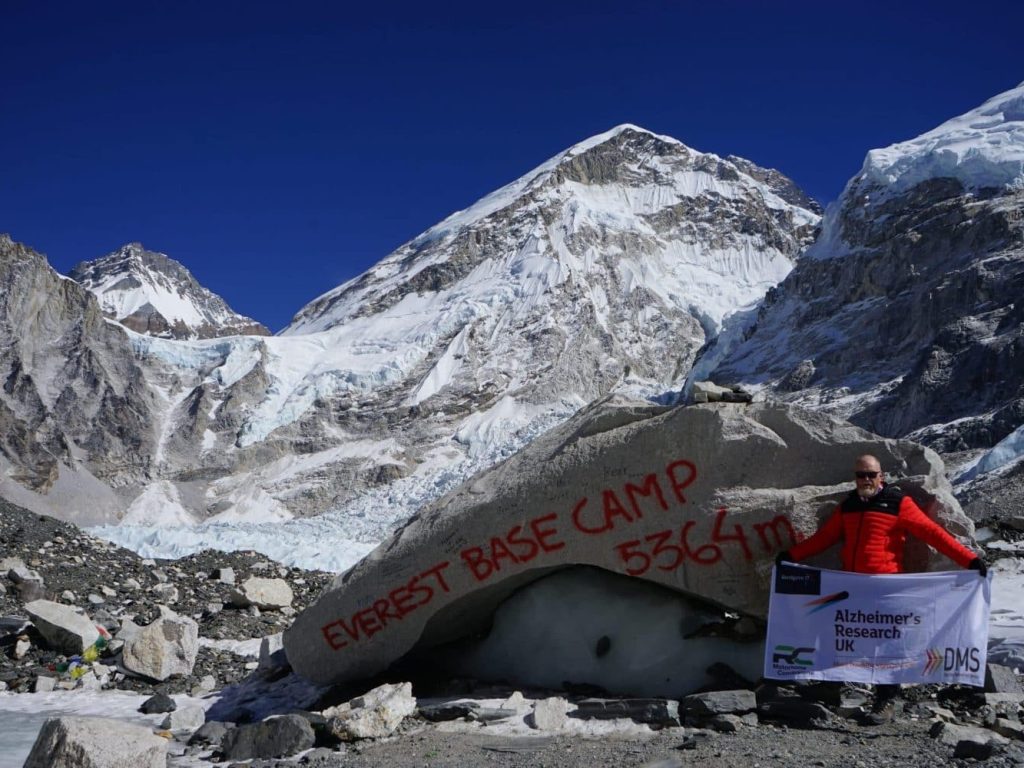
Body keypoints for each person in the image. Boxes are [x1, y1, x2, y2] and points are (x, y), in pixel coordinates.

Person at [775, 454, 987, 725]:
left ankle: (885, 699)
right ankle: (831, 687)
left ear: (881, 476)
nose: (866, 480)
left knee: (885, 645)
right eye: (861, 475)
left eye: (871, 475)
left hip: (886, 588)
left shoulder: (899, 503)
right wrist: (792, 556)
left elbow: (932, 533)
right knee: (841, 636)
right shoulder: (849, 505)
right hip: (851, 586)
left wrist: (968, 559)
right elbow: (825, 538)